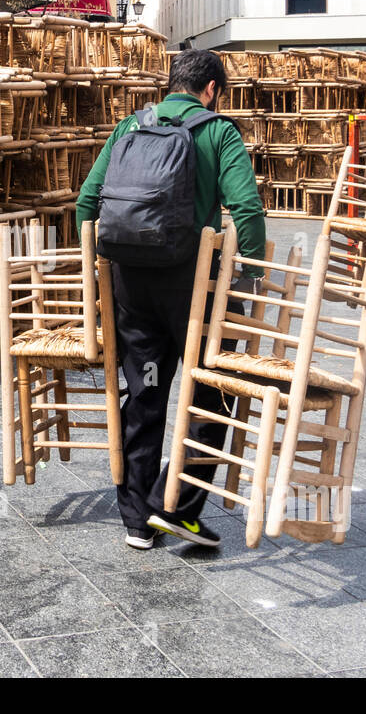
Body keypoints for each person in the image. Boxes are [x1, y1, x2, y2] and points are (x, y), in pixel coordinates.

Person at [75, 49, 267, 551]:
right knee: (213, 391)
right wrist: (249, 276)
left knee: (146, 390)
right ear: (210, 91)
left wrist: (98, 276)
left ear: (171, 85)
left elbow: (87, 203)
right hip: (194, 291)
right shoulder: (219, 132)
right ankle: (175, 505)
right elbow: (245, 208)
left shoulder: (128, 128)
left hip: (131, 289)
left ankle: (138, 519)